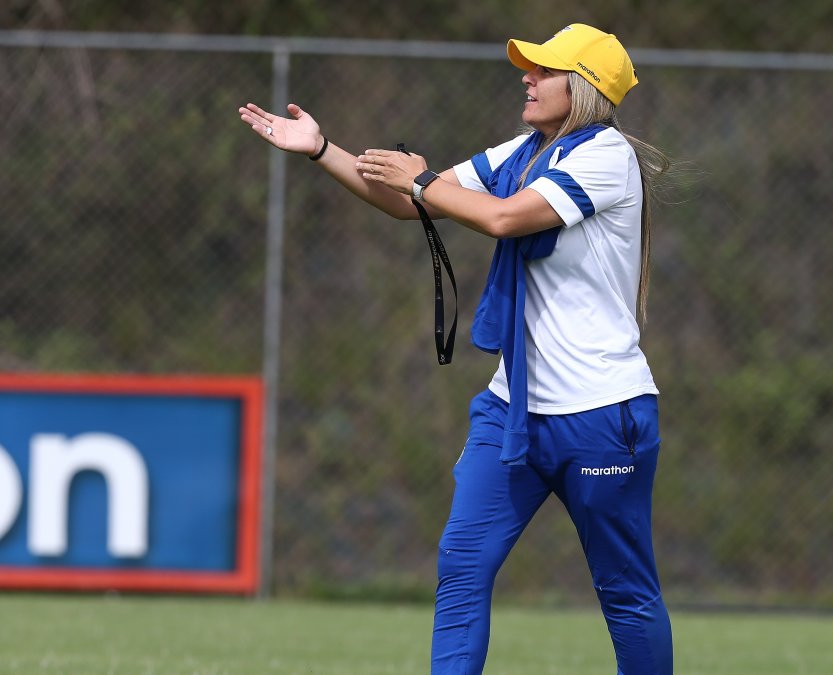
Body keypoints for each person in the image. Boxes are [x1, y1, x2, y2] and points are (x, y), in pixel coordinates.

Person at [239, 22, 675, 675]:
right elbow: (409, 203)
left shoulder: (605, 155)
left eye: (544, 70)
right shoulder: (527, 149)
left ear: (583, 88)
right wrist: (322, 148)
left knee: (624, 592)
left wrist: (422, 182)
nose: (527, 77)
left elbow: (501, 217)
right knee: (463, 566)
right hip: (513, 409)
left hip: (602, 415)